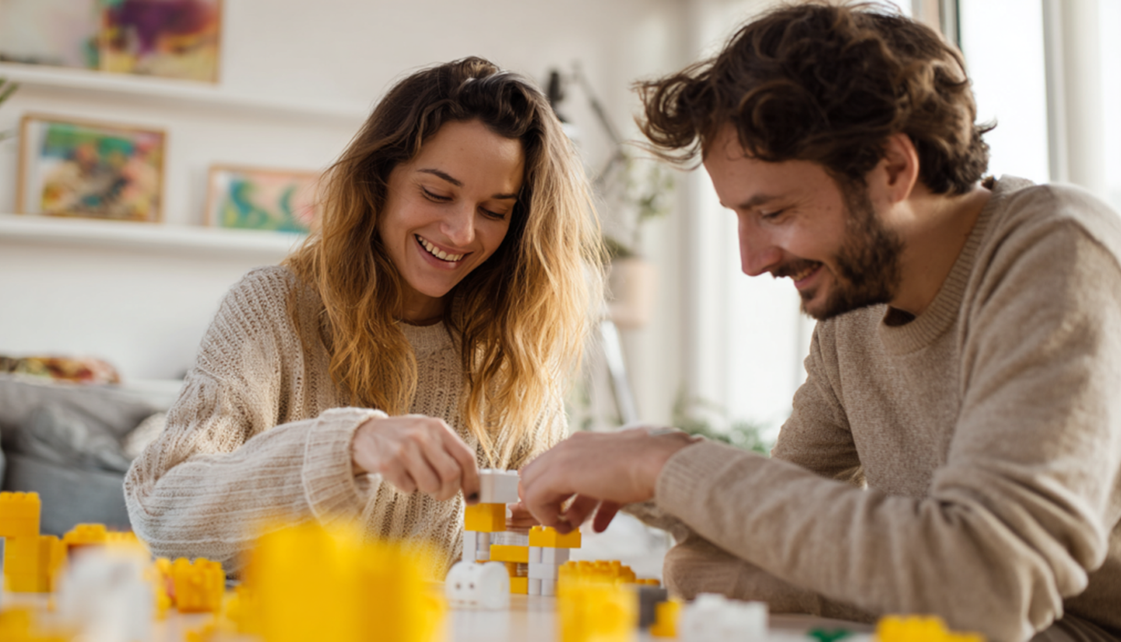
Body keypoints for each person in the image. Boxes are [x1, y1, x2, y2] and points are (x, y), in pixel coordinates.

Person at [517, 4, 1121, 641]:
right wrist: (638, 471)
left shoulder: (1058, 250)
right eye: (741, 218)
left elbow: (988, 583)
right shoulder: (855, 309)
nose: (752, 261)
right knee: (711, 575)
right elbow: (765, 528)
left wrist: (663, 464)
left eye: (773, 211)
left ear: (892, 169)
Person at [125, 57, 605, 578]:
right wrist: (347, 445)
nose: (463, 232)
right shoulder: (274, 308)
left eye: (494, 211)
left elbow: (520, 570)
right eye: (437, 194)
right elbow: (163, 514)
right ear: (379, 181)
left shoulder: (513, 351)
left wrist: (540, 534)